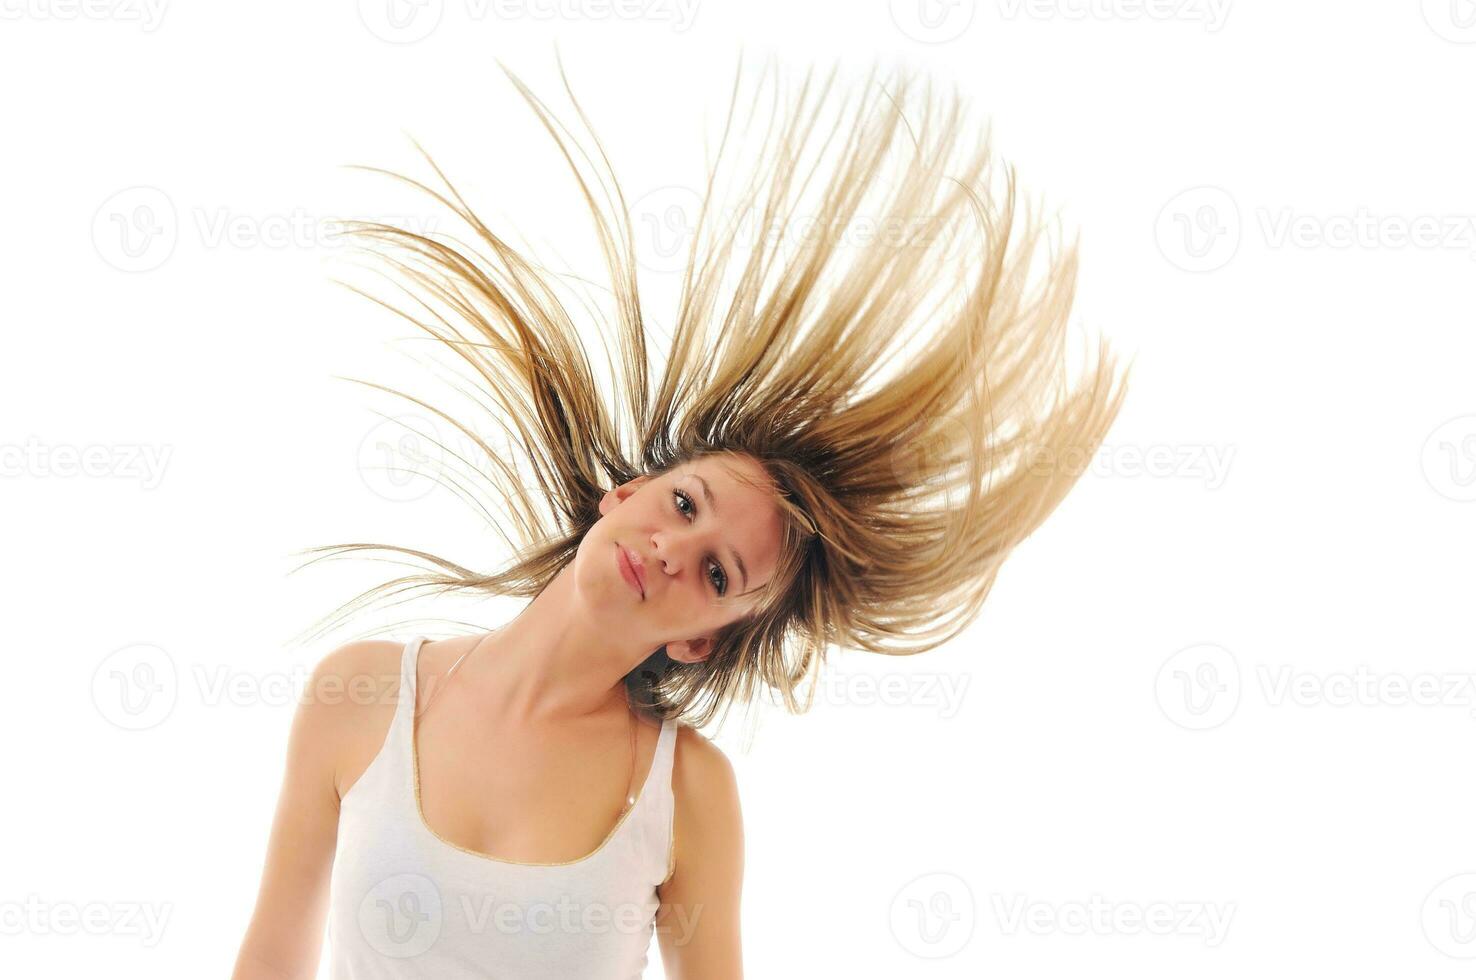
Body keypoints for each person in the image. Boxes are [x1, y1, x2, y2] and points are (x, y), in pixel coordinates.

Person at [231, 54, 1128, 979]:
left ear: (704, 637)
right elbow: (268, 961)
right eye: (683, 503)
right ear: (623, 496)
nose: (669, 549)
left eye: (715, 574)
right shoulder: (364, 696)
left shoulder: (686, 793)